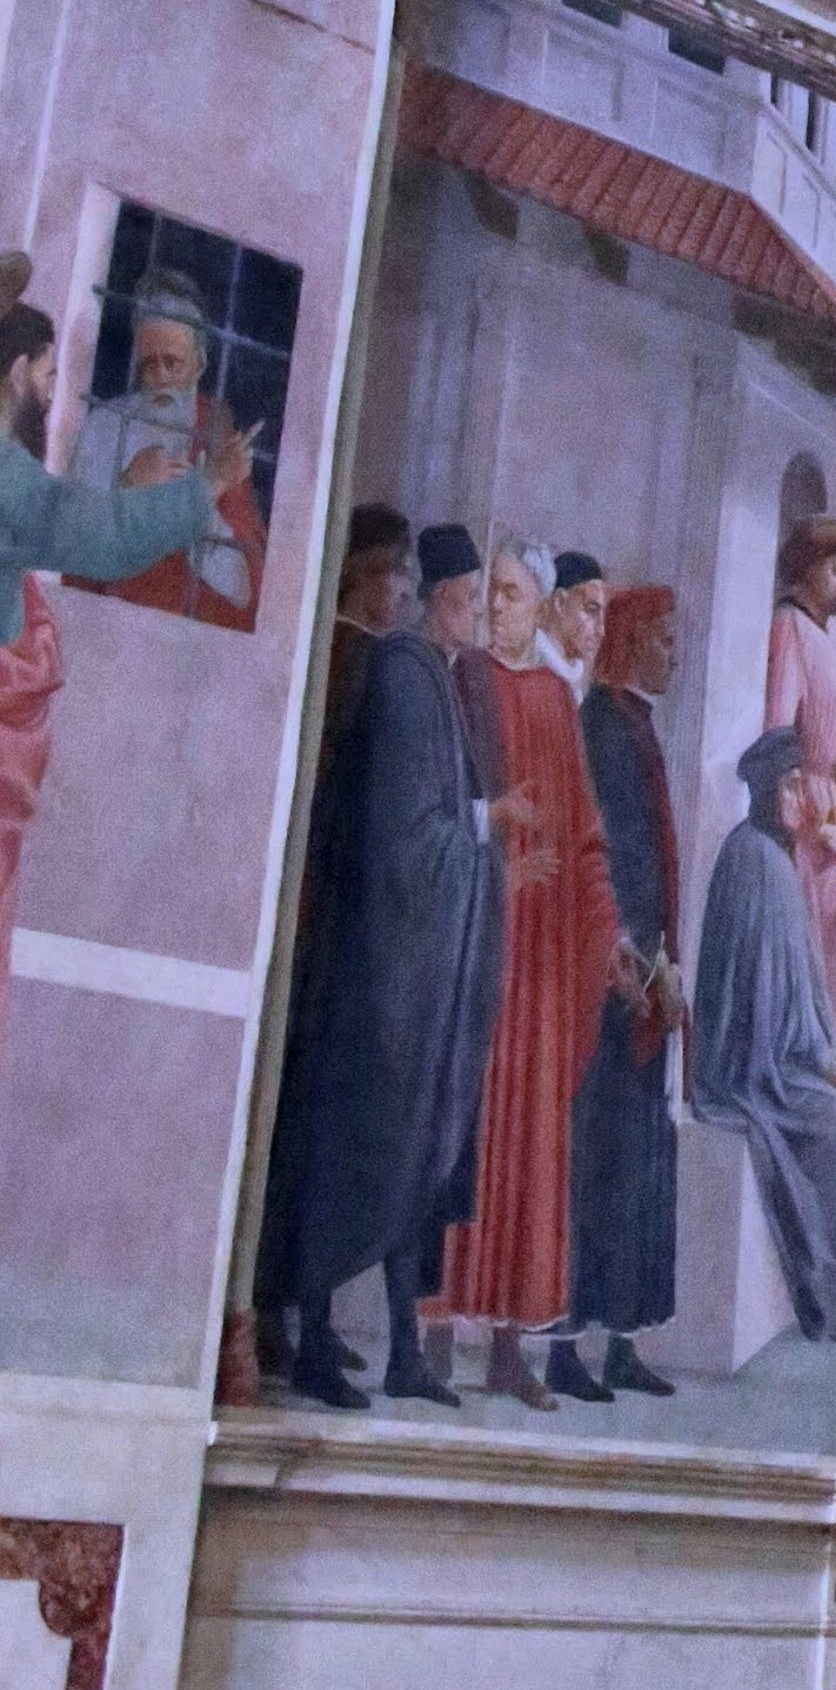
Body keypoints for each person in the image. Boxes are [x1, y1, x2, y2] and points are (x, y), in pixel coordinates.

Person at [254, 508, 497, 1409]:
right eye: (462, 596)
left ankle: (399, 1349)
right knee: (342, 1146)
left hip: (406, 949)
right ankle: (310, 1337)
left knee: (405, 1147)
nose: (399, 591)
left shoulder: (429, 672)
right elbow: (392, 824)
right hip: (362, 954)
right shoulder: (394, 670)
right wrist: (484, 829)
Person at [447, 542, 621, 1408]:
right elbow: (449, 809)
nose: (497, 609)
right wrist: (492, 876)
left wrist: (606, 929)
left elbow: (584, 833)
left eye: (511, 595)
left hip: (543, 962)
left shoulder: (556, 699)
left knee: (529, 1149)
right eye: (491, 595)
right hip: (479, 944)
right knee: (465, 1133)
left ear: (540, 603)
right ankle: (436, 1333)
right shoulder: (465, 680)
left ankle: (510, 1344)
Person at [687, 727, 836, 1346]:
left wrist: (824, 1050)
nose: (806, 795)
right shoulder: (758, 863)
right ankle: (833, 1302)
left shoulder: (769, 857)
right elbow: (764, 1006)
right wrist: (820, 1057)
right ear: (774, 791)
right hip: (753, 1068)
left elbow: (794, 987)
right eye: (795, 784)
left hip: (780, 1053)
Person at [569, 586, 685, 1402]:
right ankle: (567, 1348)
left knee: (639, 1166)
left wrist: (668, 964)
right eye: (666, 641)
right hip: (611, 983)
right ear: (635, 641)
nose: (675, 655)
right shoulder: (606, 728)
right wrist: (640, 965)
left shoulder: (636, 724)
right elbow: (605, 861)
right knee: (598, 1163)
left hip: (647, 975)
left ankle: (620, 1341)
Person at [67, 288, 262, 623]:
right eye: (148, 364)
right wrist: (126, 488)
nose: (159, 378)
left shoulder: (216, 429)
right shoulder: (104, 426)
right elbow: (72, 544)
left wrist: (202, 493)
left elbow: (242, 588)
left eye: (172, 362)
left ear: (199, 364)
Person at [762, 514, 836, 1025]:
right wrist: (802, 814)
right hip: (803, 806)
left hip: (828, 801)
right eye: (834, 569)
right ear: (806, 571)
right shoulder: (790, 627)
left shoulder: (826, 639)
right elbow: (780, 732)